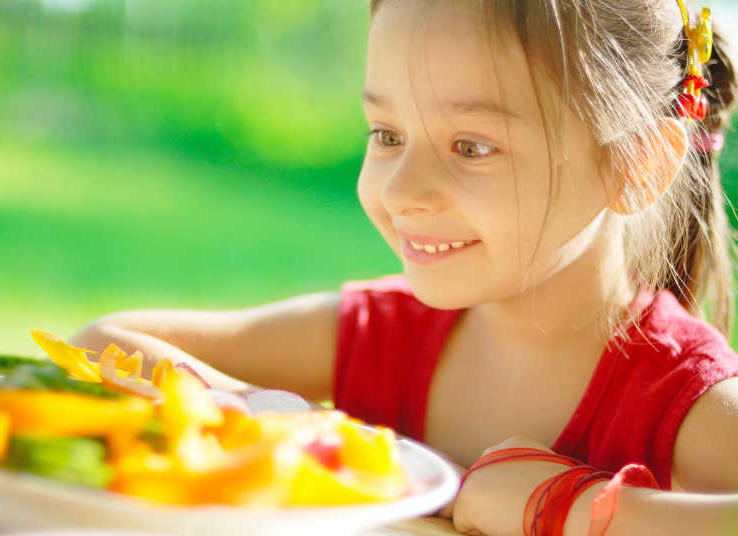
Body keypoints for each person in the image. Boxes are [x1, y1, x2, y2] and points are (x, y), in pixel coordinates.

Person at [70, 0, 738, 533]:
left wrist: (572, 510)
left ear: (639, 163)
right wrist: (310, 436)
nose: (399, 192)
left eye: (471, 146)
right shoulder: (382, 339)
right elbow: (101, 346)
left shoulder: (679, 395)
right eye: (387, 135)